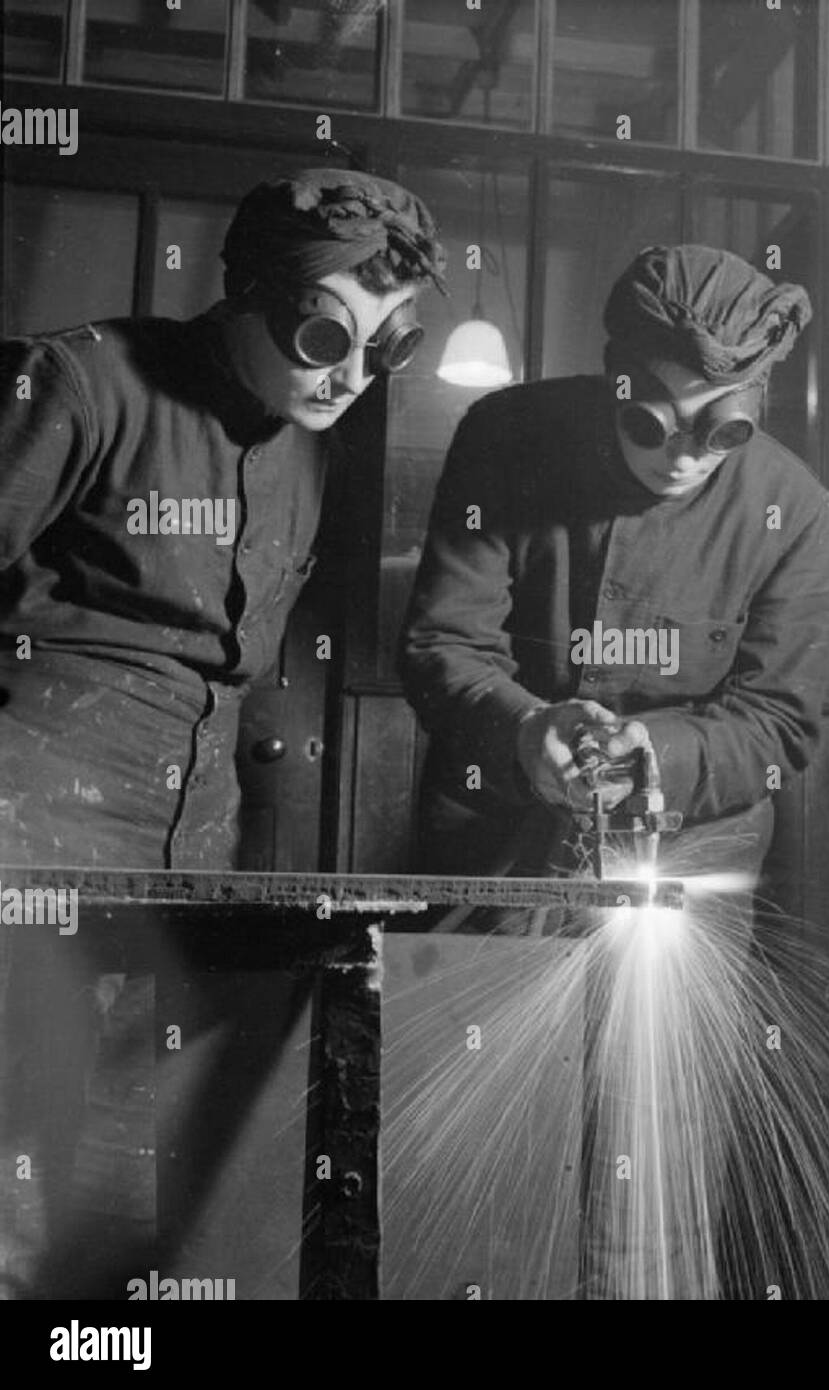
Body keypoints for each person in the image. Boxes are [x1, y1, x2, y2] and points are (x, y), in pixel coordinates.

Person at [0, 168, 446, 1296]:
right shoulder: (81, 379)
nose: (350, 377)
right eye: (320, 333)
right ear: (245, 294)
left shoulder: (309, 448)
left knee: (114, 1220)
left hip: (186, 878)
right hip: (31, 853)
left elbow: (241, 682)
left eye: (384, 349)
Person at [399, 244, 829, 1297]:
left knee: (651, 1147)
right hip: (504, 831)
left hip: (687, 850)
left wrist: (670, 754)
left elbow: (779, 721)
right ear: (614, 384)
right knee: (480, 1127)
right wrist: (521, 730)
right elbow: (441, 643)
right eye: (652, 419)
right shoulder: (508, 437)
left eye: (719, 427)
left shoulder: (795, 507)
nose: (684, 454)